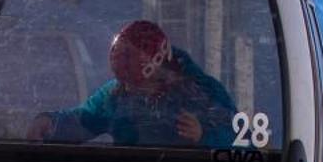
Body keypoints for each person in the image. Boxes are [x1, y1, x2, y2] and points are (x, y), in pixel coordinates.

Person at [29, 19, 236, 148]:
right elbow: (84, 119)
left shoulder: (203, 93)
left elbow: (243, 143)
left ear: (161, 71)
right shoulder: (117, 94)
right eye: (125, 83)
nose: (130, 90)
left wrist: (204, 136)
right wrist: (50, 124)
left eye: (137, 83)